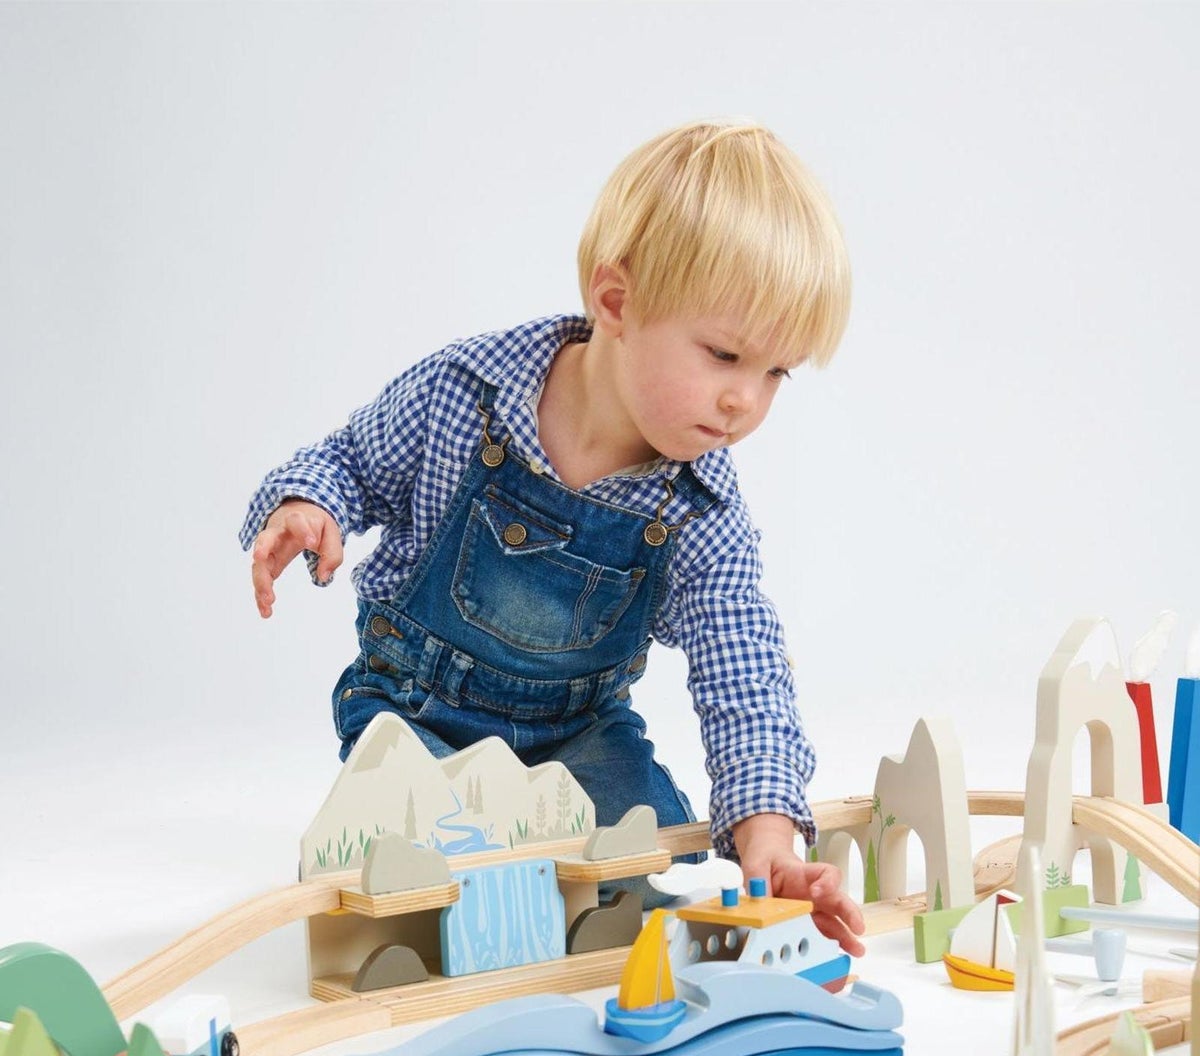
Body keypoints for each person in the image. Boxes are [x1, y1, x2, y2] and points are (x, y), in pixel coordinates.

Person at [240, 119, 864, 956]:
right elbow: (348, 462)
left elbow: (743, 669)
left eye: (776, 373)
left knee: (644, 855)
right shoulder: (466, 393)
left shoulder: (698, 509)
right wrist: (308, 505)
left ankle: (583, 916)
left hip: (578, 735)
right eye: (724, 355)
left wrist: (770, 842)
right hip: (418, 713)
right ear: (616, 303)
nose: (745, 402)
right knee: (420, 861)